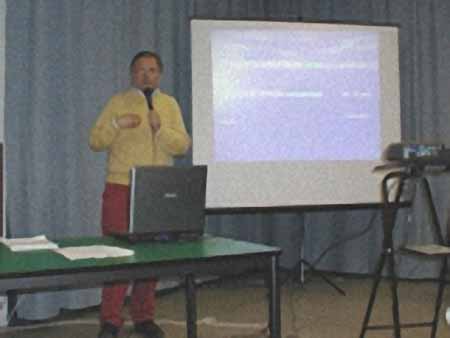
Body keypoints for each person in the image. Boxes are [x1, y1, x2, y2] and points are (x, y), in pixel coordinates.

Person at [89, 51, 191, 338]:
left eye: (153, 70)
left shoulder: (169, 104)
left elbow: (182, 145)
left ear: (160, 74)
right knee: (117, 256)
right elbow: (95, 141)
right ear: (132, 74)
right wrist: (115, 125)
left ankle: (144, 317)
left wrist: (161, 130)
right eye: (141, 70)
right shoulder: (118, 102)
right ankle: (110, 320)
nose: (147, 75)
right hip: (121, 185)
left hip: (157, 189)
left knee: (151, 256)